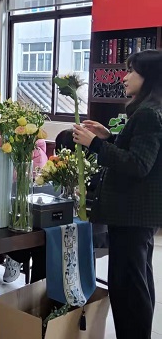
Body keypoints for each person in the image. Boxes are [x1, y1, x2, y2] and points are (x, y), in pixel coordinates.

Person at [72, 49, 162, 339]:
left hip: (132, 213)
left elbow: (138, 164)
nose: (125, 77)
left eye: (132, 71)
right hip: (137, 214)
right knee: (137, 281)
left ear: (149, 76)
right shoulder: (149, 110)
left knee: (128, 288)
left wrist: (95, 145)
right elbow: (139, 152)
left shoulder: (147, 114)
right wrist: (108, 137)